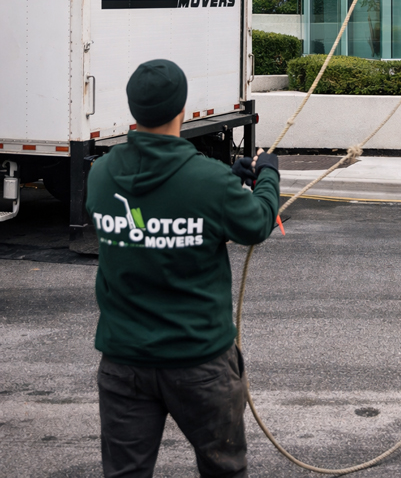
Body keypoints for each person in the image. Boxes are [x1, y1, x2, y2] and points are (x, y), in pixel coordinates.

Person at [86, 59, 280, 478]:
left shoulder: (100, 175)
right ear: (182, 108)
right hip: (200, 361)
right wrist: (267, 175)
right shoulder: (208, 182)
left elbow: (167, 203)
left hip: (123, 363)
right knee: (223, 470)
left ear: (133, 109)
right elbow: (256, 223)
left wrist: (224, 180)